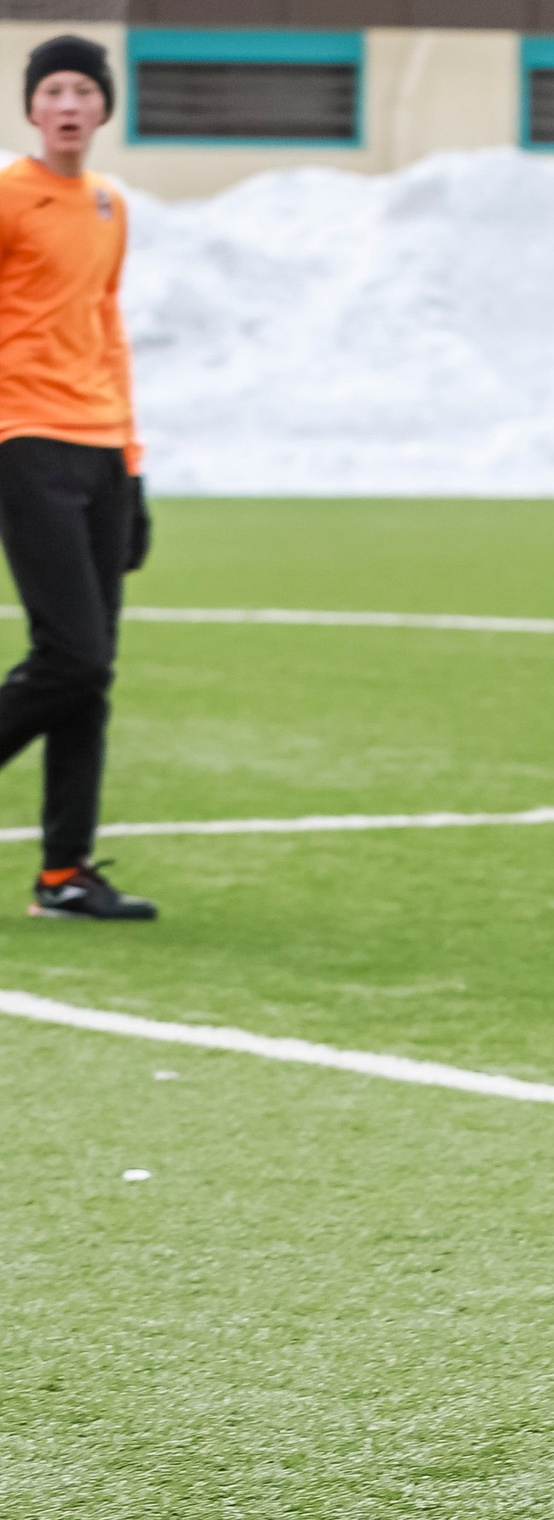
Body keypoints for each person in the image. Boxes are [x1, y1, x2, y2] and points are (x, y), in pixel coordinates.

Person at [0, 35, 152, 922]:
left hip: (101, 450)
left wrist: (132, 471)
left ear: (102, 108)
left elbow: (107, 331)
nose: (67, 104)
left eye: (82, 90)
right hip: (25, 439)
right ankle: (62, 869)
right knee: (74, 653)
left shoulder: (107, 203)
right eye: (51, 89)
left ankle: (65, 873)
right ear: (32, 108)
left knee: (93, 673)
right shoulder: (9, 198)